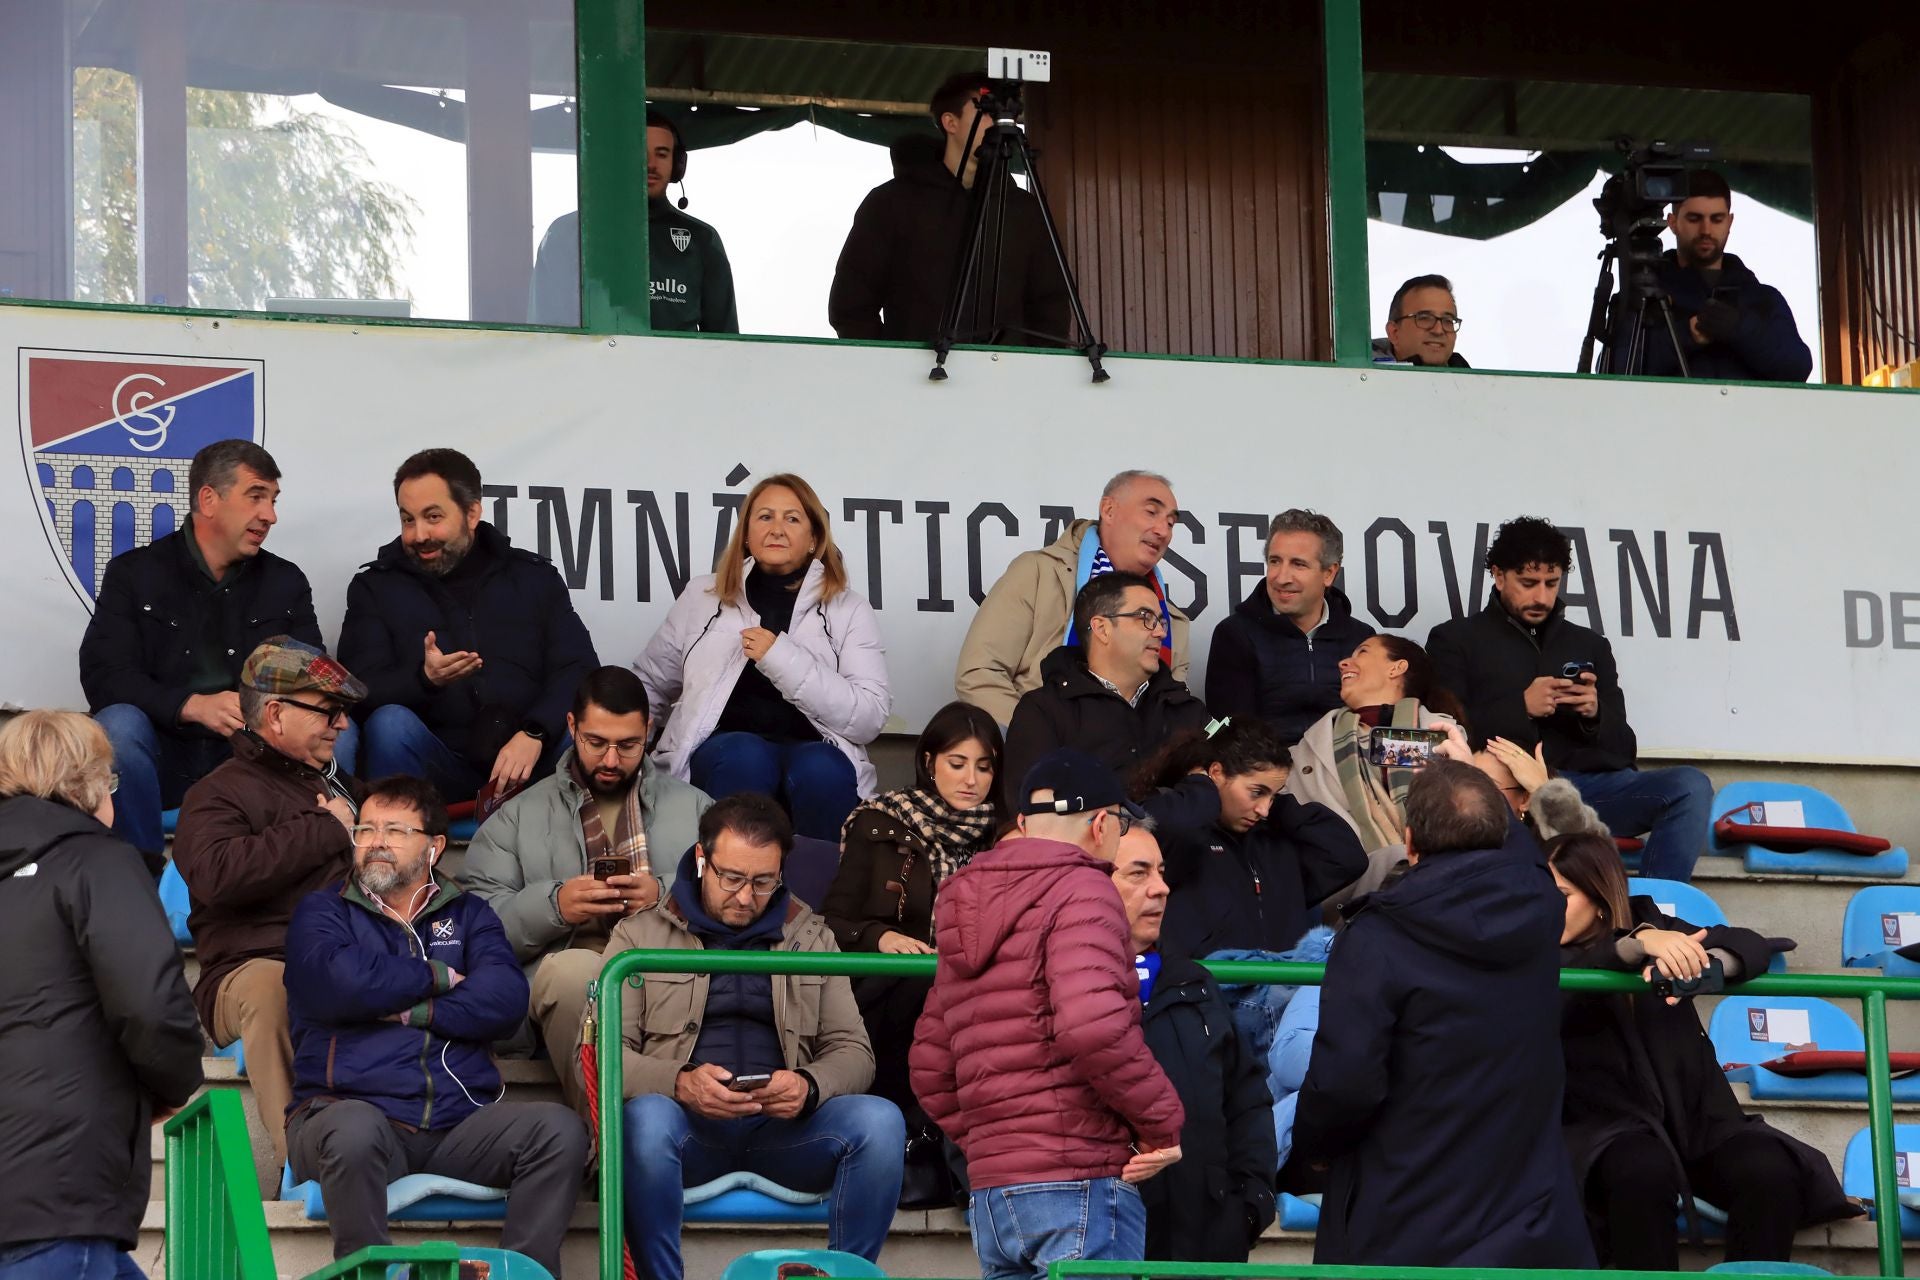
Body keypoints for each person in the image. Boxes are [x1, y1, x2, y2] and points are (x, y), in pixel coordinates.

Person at [1291, 760, 1592, 1267]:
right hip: (1524, 1211)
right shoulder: (1542, 904)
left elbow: (1345, 1082)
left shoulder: (1376, 937)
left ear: (1409, 842)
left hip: (1403, 1208)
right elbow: (1524, 856)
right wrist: (1473, 773)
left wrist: (1314, 1150)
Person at [283, 775, 588, 1275]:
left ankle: (520, 1273)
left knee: (557, 1129)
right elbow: (336, 983)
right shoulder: (325, 910)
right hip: (348, 1113)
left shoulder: (470, 915)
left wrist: (411, 1009)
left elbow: (505, 1001)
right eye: (366, 829)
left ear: (435, 847)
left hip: (458, 1123)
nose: (377, 841)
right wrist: (437, 975)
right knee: (352, 1129)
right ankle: (369, 1275)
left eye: (396, 830)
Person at [911, 748, 1185, 1280]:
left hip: (994, 1194)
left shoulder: (964, 900)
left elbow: (928, 1066)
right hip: (1079, 1181)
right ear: (1102, 823)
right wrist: (1161, 1125)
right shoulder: (1087, 888)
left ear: (1023, 823)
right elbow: (1094, 1028)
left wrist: (1001, 1145)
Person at [606, 793, 904, 1280]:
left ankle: (844, 1276)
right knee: (645, 1118)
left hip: (785, 1133)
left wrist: (808, 1085)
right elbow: (602, 1057)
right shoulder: (639, 936)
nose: (746, 897)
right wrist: (680, 1082)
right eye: (732, 878)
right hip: (685, 1132)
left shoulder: (812, 936)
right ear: (702, 859)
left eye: (764, 882)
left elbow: (854, 1051)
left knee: (881, 1122)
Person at [1548, 831, 1855, 1268]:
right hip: (1601, 1130)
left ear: (1599, 898)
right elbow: (1573, 978)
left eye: (1560, 894)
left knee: (1770, 1170)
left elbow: (1750, 944)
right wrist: (1635, 947)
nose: (1544, 904)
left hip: (1696, 1125)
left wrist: (1704, 968)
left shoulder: (1653, 922)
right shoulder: (1537, 947)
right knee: (1642, 1171)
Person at [0, 711, 202, 1280]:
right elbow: (151, 1004)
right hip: (58, 1186)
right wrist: (169, 1082)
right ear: (84, 786)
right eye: (110, 782)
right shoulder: (97, 860)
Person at [462, 665, 712, 1105]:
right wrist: (555, 905)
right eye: (596, 743)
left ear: (649, 732)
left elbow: (748, 896)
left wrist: (667, 897)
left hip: (673, 975)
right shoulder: (517, 816)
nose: (611, 759)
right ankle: (606, 1134)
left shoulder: (698, 810)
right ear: (572, 726)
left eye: (628, 745)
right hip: (569, 981)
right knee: (574, 973)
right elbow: (474, 927)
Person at [79, 438, 338, 858]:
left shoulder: (284, 581)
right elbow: (104, 675)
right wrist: (189, 704)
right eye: (256, 496)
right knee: (118, 726)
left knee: (335, 729)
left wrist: (260, 716)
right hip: (164, 755)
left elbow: (311, 681)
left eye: (273, 500)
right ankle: (140, 876)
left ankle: (310, 874)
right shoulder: (134, 573)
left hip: (250, 758)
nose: (269, 515)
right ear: (209, 499)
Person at [1427, 515, 1712, 881]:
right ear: (1498, 576)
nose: (1541, 597)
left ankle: (1658, 912)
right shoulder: (1455, 639)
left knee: (1690, 786)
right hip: (1505, 790)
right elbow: (1442, 733)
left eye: (1551, 583)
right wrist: (1521, 707)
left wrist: (1594, 714)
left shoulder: (1590, 645)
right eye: (1528, 583)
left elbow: (1624, 750)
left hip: (1587, 789)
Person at [171, 636, 367, 1165]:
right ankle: (305, 1163)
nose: (342, 725)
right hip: (246, 970)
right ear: (276, 714)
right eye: (329, 712)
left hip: (346, 960)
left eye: (343, 713)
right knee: (274, 986)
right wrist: (325, 830)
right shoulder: (217, 793)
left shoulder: (347, 789)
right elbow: (216, 876)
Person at [632, 472, 890, 841]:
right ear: (747, 533)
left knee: (822, 769)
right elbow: (651, 682)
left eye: (793, 518)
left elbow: (868, 718)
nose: (777, 529)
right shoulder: (702, 597)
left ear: (814, 537)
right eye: (765, 516)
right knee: (744, 755)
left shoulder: (848, 609)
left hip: (816, 749)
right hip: (726, 745)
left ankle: (821, 896)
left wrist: (780, 657)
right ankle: (727, 892)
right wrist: (627, 740)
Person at [339, 447, 599, 804]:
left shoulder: (533, 578)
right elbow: (355, 691)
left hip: (533, 759)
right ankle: (396, 843)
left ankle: (591, 855)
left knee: (585, 732)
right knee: (390, 724)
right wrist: (424, 680)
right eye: (407, 519)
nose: (418, 534)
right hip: (441, 767)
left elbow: (579, 668)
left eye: (433, 517)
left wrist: (536, 731)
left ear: (472, 512)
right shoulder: (376, 587)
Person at [821, 700, 1002, 1198]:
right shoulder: (879, 826)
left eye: (984, 767)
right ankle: (918, 1147)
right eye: (957, 763)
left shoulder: (1006, 838)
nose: (972, 780)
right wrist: (880, 937)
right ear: (928, 763)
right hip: (891, 989)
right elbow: (828, 923)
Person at [1110, 823, 1277, 1262]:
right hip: (1099, 1238)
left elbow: (1247, 1099)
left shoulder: (1194, 983)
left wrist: (1250, 1206)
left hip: (1205, 1243)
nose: (1161, 888)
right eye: (1138, 873)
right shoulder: (1055, 981)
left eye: (1162, 872)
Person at [828, 71, 1068, 345]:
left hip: (1005, 380)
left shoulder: (1024, 210)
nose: (1001, 121)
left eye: (1007, 112)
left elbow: (1050, 305)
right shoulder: (891, 202)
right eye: (986, 109)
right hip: (917, 379)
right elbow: (852, 303)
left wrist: (1033, 370)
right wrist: (889, 367)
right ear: (950, 122)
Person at [957, 470, 1187, 726]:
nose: (1162, 531)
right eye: (1151, 512)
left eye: (1170, 522)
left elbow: (1173, 714)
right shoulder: (1039, 573)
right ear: (1108, 510)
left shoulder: (1173, 623)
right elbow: (979, 674)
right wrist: (1040, 740)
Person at [1135, 718, 1367, 957]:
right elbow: (1179, 828)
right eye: (1257, 792)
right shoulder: (1170, 819)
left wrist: (1280, 808)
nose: (1264, 809)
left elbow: (1348, 857)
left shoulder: (1273, 837)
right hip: (1206, 988)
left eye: (1274, 796)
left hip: (1282, 987)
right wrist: (1201, 785)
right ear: (1215, 773)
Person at [1286, 634, 1471, 902]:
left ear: (1396, 668)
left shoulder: (1446, 736)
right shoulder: (1309, 747)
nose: (1343, 663)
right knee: (1394, 858)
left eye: (1361, 652)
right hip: (1345, 889)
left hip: (1437, 880)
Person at [530, 109, 739, 332]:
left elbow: (726, 342)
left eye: (662, 154)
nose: (651, 164)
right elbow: (543, 332)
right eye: (639, 151)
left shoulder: (702, 240)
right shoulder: (566, 233)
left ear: (677, 165)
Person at [1003, 572, 1208, 794]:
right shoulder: (1043, 711)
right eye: (1145, 617)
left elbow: (1224, 798)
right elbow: (1031, 811)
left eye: (1161, 622)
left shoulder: (1188, 710)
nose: (1159, 632)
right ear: (1102, 628)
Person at [1609, 170, 1811, 382]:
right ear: (1673, 222)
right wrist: (1687, 334)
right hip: (1667, 415)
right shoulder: (1646, 294)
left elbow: (1798, 368)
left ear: (1729, 222)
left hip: (1746, 415)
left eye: (1716, 219)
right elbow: (1615, 370)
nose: (1706, 229)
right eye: (1695, 218)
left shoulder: (1762, 299)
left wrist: (1739, 328)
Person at [1205, 509, 1374, 741]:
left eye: (1298, 564)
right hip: (1268, 772)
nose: (1282, 577)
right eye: (1275, 561)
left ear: (1329, 573)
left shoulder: (1361, 639)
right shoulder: (1235, 634)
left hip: (1343, 769)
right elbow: (1233, 738)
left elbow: (1372, 724)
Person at [1370, 274, 1470, 367]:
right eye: (1425, 318)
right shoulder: (1361, 379)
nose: (1438, 330)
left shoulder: (1474, 383)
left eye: (1447, 320)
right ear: (1394, 333)